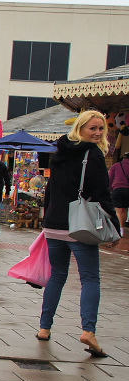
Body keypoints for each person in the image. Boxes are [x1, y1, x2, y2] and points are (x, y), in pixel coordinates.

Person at [37, 110, 119, 357]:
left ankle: (44, 327)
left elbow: (51, 188)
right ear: (80, 128)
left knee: (57, 276)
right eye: (92, 128)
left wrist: (47, 219)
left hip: (54, 224)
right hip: (78, 225)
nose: (97, 133)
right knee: (90, 279)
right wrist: (114, 225)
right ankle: (88, 332)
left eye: (101, 129)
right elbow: (103, 192)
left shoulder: (59, 152)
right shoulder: (92, 154)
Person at [108, 151, 129, 234]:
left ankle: (118, 229)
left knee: (118, 210)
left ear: (123, 158)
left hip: (117, 189)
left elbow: (110, 179)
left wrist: (108, 189)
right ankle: (121, 228)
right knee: (125, 210)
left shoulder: (116, 165)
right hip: (128, 190)